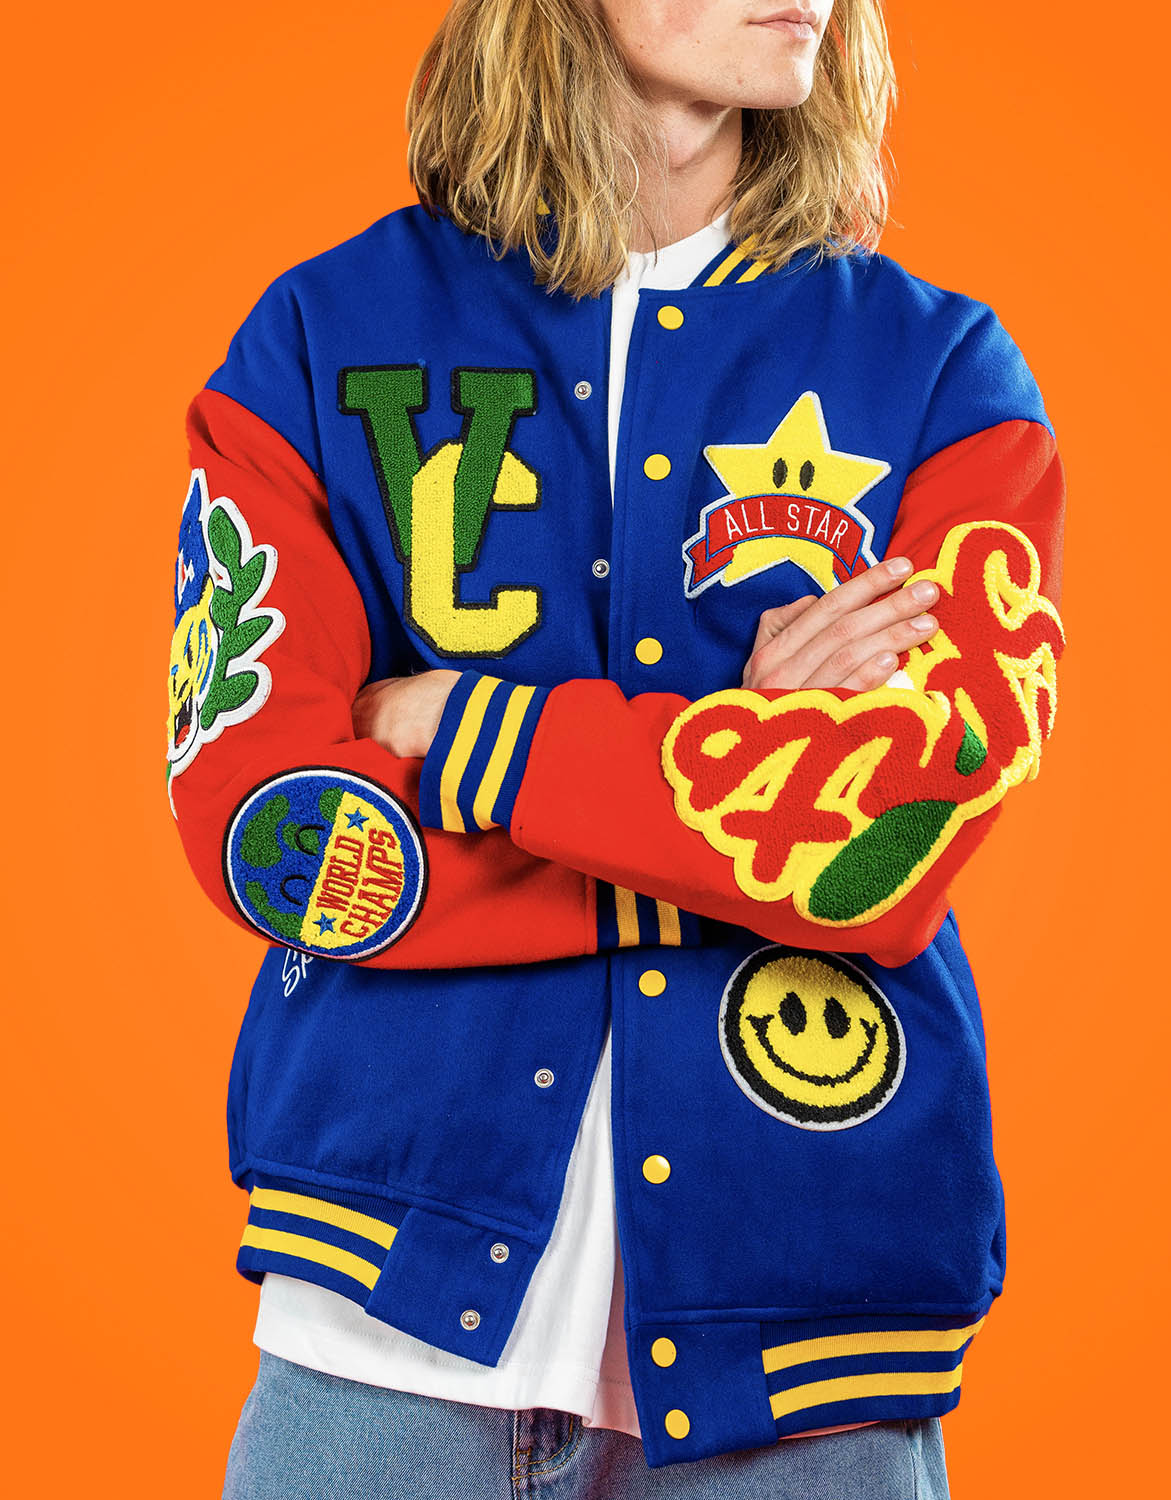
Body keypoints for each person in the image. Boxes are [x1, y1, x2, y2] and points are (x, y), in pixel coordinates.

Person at [167, 1, 1066, 1495]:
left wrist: (469, 731)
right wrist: (733, 777)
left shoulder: (944, 373)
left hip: (811, 1318)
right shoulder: (319, 338)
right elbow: (278, 835)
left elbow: (879, 848)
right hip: (379, 1313)